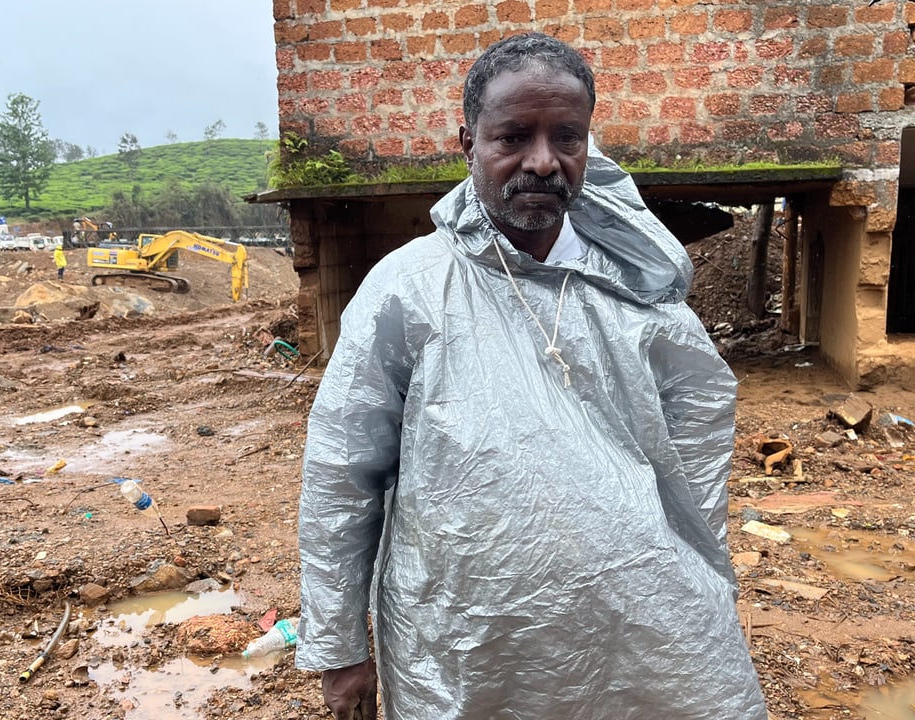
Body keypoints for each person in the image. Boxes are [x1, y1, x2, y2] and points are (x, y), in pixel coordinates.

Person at [296, 32, 769, 720]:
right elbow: (342, 471)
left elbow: (698, 434)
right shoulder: (410, 289)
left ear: (587, 144)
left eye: (567, 138)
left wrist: (702, 569)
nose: (543, 162)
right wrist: (339, 643)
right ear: (469, 143)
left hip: (641, 628)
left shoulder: (635, 285)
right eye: (513, 137)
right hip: (465, 642)